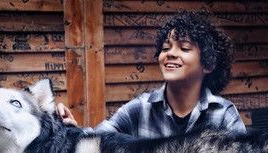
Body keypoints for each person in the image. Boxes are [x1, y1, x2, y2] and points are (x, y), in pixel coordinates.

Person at [58, 10, 246, 138]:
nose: (170, 53)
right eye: (165, 48)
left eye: (184, 48)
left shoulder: (223, 114)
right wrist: (72, 128)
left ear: (208, 64)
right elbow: (97, 140)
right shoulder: (140, 109)